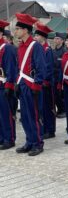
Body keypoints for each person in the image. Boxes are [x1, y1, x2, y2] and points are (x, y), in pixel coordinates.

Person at [14, 13, 46, 156]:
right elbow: (18, 67)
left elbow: (41, 68)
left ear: (25, 30)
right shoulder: (20, 46)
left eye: (17, 29)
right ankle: (29, 141)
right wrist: (16, 83)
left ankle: (37, 143)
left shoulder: (35, 46)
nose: (15, 32)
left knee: (33, 115)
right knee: (25, 116)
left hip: (32, 86)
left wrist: (37, 86)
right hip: (22, 84)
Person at [34, 22, 56, 139]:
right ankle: (44, 128)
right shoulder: (39, 49)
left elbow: (49, 68)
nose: (35, 38)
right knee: (41, 108)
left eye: (37, 35)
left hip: (47, 84)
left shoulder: (47, 50)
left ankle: (50, 130)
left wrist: (44, 80)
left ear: (42, 36)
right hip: (40, 83)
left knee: (48, 108)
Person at [0, 20, 17, 150]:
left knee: (6, 113)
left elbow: (11, 69)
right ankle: (1, 137)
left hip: (4, 85)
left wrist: (9, 86)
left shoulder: (7, 48)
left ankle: (9, 138)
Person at [53, 32, 67, 118]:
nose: (56, 40)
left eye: (58, 38)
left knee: (60, 95)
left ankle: (63, 110)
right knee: (55, 95)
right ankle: (59, 109)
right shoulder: (53, 51)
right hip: (53, 76)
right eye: (55, 38)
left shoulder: (64, 51)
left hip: (60, 76)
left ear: (62, 41)